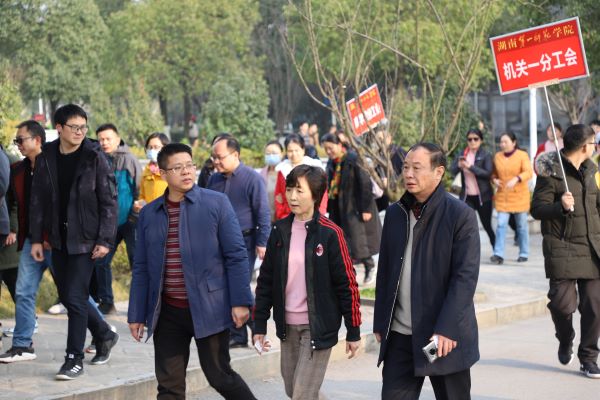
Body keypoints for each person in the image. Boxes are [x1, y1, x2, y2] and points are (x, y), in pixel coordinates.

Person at [128, 143, 257, 399]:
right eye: (178, 168)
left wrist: (241, 301)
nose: (187, 172)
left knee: (220, 376)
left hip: (210, 307)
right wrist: (136, 313)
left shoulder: (216, 203)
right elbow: (141, 267)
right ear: (163, 174)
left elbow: (236, 255)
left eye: (189, 165)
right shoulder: (150, 214)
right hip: (167, 312)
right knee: (169, 386)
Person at [374, 143, 480, 399]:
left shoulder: (460, 215)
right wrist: (380, 320)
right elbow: (385, 271)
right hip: (401, 336)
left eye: (417, 168)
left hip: (441, 338)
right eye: (405, 167)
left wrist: (447, 328)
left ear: (438, 172)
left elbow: (464, 279)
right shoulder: (395, 214)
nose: (408, 174)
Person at [253, 164, 361, 399]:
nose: (292, 196)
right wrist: (259, 325)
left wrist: (353, 331)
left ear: (315, 194)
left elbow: (348, 285)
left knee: (301, 394)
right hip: (286, 326)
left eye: (299, 191)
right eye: (289, 189)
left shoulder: (330, 233)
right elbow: (266, 280)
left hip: (317, 327)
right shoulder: (280, 230)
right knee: (294, 390)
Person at [29, 104, 119, 380]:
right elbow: (38, 200)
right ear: (59, 128)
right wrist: (37, 239)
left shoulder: (94, 157)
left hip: (86, 241)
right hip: (58, 240)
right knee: (69, 296)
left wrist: (105, 239)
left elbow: (109, 202)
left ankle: (73, 358)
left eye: (83, 127)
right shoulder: (46, 157)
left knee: (76, 298)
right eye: (74, 127)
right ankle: (104, 333)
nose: (80, 132)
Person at [532, 124, 600, 379]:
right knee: (562, 306)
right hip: (562, 247)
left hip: (592, 248)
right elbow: (537, 209)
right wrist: (559, 205)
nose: (595, 147)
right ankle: (565, 338)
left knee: (594, 306)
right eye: (593, 143)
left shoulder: (593, 171)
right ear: (583, 147)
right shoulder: (552, 172)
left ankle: (589, 357)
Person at [207, 135, 270, 348]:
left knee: (239, 284)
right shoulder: (213, 180)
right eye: (213, 157)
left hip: (245, 240)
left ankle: (251, 327)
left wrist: (262, 242)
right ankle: (241, 332)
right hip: (218, 241)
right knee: (225, 284)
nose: (216, 161)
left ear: (235, 155)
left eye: (220, 157)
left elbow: (263, 213)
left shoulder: (252, 179)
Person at [93, 123, 142, 315]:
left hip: (131, 221)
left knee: (137, 264)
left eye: (108, 139)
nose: (104, 142)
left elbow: (139, 190)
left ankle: (140, 306)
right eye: (101, 139)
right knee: (101, 260)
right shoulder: (98, 159)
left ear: (118, 139)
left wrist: (134, 215)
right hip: (109, 222)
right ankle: (107, 301)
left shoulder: (129, 160)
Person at [321, 133, 382, 284]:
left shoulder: (353, 159)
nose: (328, 151)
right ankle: (348, 275)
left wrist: (366, 208)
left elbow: (365, 183)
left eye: (330, 148)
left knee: (359, 240)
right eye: (326, 149)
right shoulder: (332, 163)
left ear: (339, 145)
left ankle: (370, 267)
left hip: (355, 206)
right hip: (338, 207)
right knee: (342, 242)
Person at [490, 132, 533, 264]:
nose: (502, 144)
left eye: (505, 142)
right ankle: (498, 254)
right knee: (501, 225)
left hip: (519, 196)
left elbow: (528, 172)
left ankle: (524, 252)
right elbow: (493, 174)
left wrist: (517, 178)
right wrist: (494, 180)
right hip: (503, 196)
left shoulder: (522, 155)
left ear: (513, 143)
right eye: (501, 142)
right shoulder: (497, 156)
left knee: (521, 226)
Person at [450, 128, 495, 249]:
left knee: (486, 225)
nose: (472, 142)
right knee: (466, 225)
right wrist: (459, 166)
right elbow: (452, 171)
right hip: (467, 196)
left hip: (483, 197)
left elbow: (488, 173)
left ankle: (496, 249)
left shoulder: (485, 155)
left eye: (476, 139)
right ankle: (468, 251)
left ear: (481, 140)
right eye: (470, 139)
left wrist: (470, 167)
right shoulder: (462, 154)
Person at [274, 134, 326, 220]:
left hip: (311, 218)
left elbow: (322, 195)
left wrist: (318, 216)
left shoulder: (314, 167)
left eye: (296, 150)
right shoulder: (282, 169)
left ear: (303, 150)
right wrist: (282, 215)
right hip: (288, 217)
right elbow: (278, 196)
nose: (294, 154)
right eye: (290, 151)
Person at [135, 132, 170, 207]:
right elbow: (142, 196)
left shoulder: (171, 171)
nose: (152, 150)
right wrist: (139, 204)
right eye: (150, 147)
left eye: (156, 147)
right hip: (150, 213)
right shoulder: (146, 171)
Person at [259, 140, 284, 222]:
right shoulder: (261, 174)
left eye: (274, 153)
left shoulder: (286, 172)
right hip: (267, 219)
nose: (271, 156)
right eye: (268, 153)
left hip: (283, 218)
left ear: (281, 154)